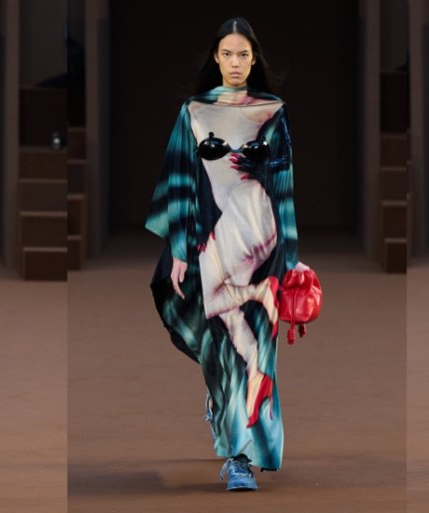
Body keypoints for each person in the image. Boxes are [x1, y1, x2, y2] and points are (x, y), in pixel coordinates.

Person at [146, 17, 300, 492]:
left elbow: (285, 183)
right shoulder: (194, 112)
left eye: (243, 55)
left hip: (262, 241)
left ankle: (242, 457)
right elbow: (178, 179)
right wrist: (178, 249)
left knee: (258, 350)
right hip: (211, 243)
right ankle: (231, 430)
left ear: (254, 61)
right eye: (228, 54)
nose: (235, 63)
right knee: (224, 347)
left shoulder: (272, 111)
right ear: (216, 57)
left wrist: (291, 256)